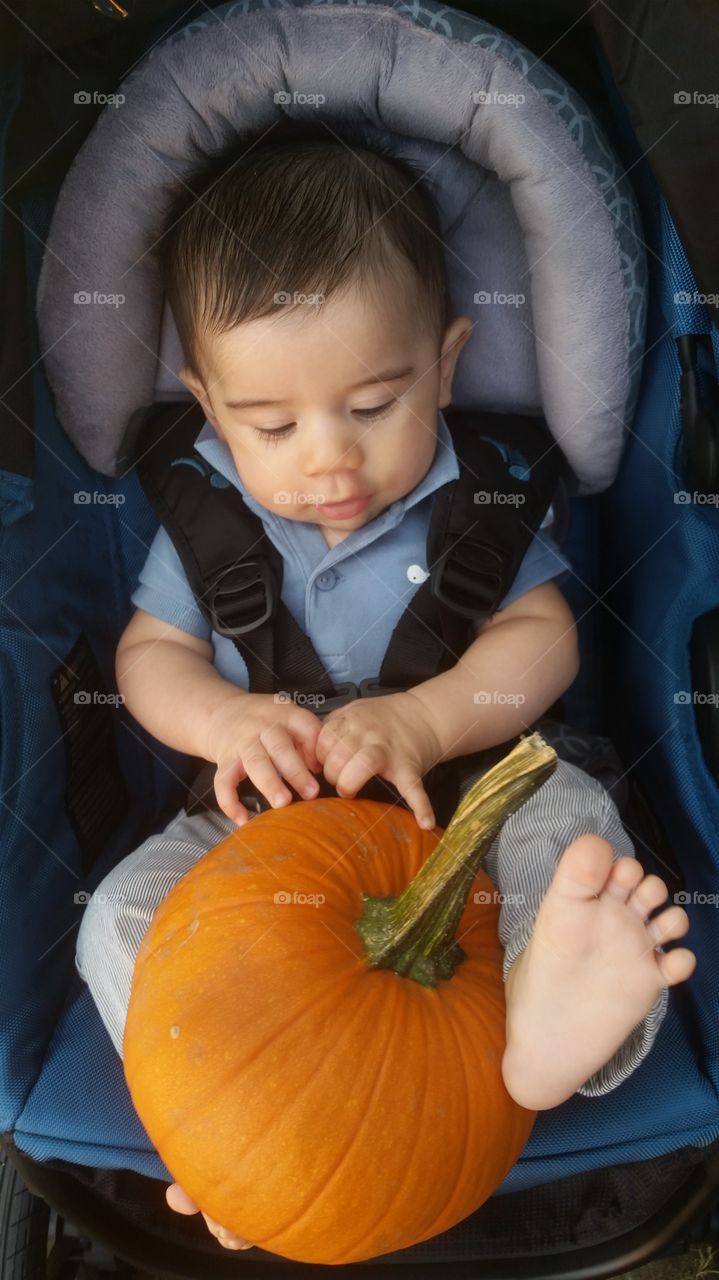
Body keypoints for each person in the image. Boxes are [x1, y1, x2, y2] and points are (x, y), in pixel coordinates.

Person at [75, 125, 696, 1252]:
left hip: (469, 795)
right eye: (271, 424)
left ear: (448, 362)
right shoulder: (209, 515)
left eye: (372, 405)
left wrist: (425, 714)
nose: (328, 460)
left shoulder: (484, 498)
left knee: (571, 836)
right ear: (210, 409)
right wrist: (221, 718)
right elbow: (147, 657)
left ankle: (558, 1032)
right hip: (258, 831)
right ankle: (217, 1108)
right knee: (120, 914)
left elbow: (539, 640)